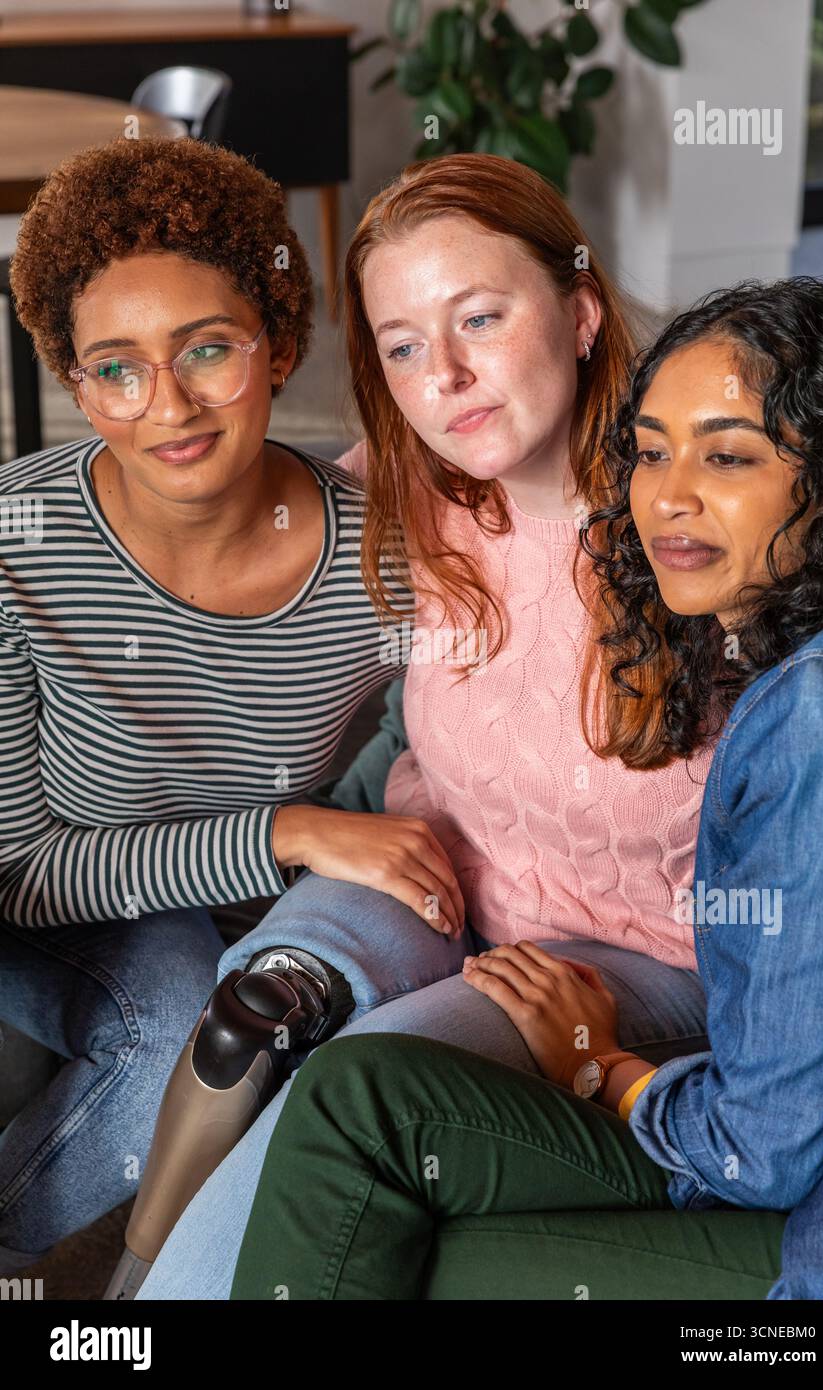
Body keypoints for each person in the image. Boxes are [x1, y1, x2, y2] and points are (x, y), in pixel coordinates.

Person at [139, 155, 721, 1299]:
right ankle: (131, 1295)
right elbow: (202, 553)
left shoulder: (701, 517)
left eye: (479, 318)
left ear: (580, 311)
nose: (443, 374)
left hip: (638, 955)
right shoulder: (408, 486)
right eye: (401, 345)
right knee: (256, 1012)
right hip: (440, 867)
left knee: (349, 1083)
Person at [229, 277, 823, 1302]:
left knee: (390, 1189)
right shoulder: (802, 664)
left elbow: (769, 1150)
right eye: (650, 450)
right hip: (794, 1165)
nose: (668, 495)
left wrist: (596, 1060)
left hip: (819, 1235)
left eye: (729, 455)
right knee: (365, 1116)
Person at [0, 133, 464, 1270]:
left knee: (187, 1022)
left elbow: (460, 728)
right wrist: (288, 835)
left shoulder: (382, 561)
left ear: (278, 343)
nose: (168, 403)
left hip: (166, 913)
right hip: (26, 896)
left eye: (207, 348)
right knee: (166, 1014)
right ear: (73, 380)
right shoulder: (17, 541)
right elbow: (21, 869)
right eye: (116, 366)